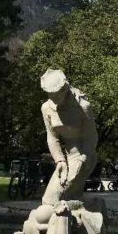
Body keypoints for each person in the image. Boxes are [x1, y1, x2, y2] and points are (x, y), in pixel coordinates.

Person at [40, 69, 98, 205]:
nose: (52, 98)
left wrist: (83, 158)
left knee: (56, 200)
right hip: (66, 158)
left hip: (83, 155)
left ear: (64, 89)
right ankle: (89, 208)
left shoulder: (83, 107)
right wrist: (59, 160)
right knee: (48, 201)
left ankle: (87, 213)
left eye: (55, 94)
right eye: (50, 94)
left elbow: (91, 137)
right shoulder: (46, 108)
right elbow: (52, 137)